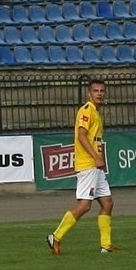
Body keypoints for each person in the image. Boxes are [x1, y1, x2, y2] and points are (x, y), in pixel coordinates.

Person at [47, 79, 118, 255]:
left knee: (107, 203)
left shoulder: (96, 112)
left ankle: (106, 245)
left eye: (102, 90)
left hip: (96, 166)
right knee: (85, 205)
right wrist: (96, 157)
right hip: (88, 164)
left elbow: (95, 140)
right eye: (96, 91)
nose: (99, 93)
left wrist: (100, 159)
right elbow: (81, 135)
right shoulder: (86, 111)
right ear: (89, 93)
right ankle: (56, 236)